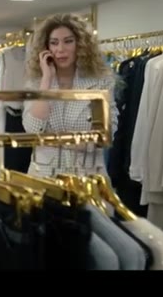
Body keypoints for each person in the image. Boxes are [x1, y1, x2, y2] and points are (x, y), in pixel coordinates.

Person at [22, 13, 118, 178]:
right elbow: (32, 129)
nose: (60, 49)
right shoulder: (37, 83)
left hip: (88, 176)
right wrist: (46, 80)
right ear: (46, 47)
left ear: (80, 44)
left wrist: (56, 141)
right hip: (45, 177)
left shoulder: (100, 81)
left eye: (68, 41)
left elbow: (106, 134)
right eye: (54, 43)